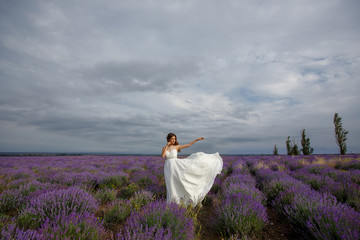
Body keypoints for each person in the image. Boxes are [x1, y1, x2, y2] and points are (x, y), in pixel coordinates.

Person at [161, 133, 223, 207]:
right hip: (168, 167)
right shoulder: (164, 148)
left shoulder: (176, 147)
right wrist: (167, 146)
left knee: (178, 182)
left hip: (176, 166)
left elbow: (188, 145)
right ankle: (172, 201)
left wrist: (196, 140)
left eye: (175, 139)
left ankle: (181, 200)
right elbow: (163, 156)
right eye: (172, 139)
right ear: (168, 139)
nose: (174, 140)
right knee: (170, 183)